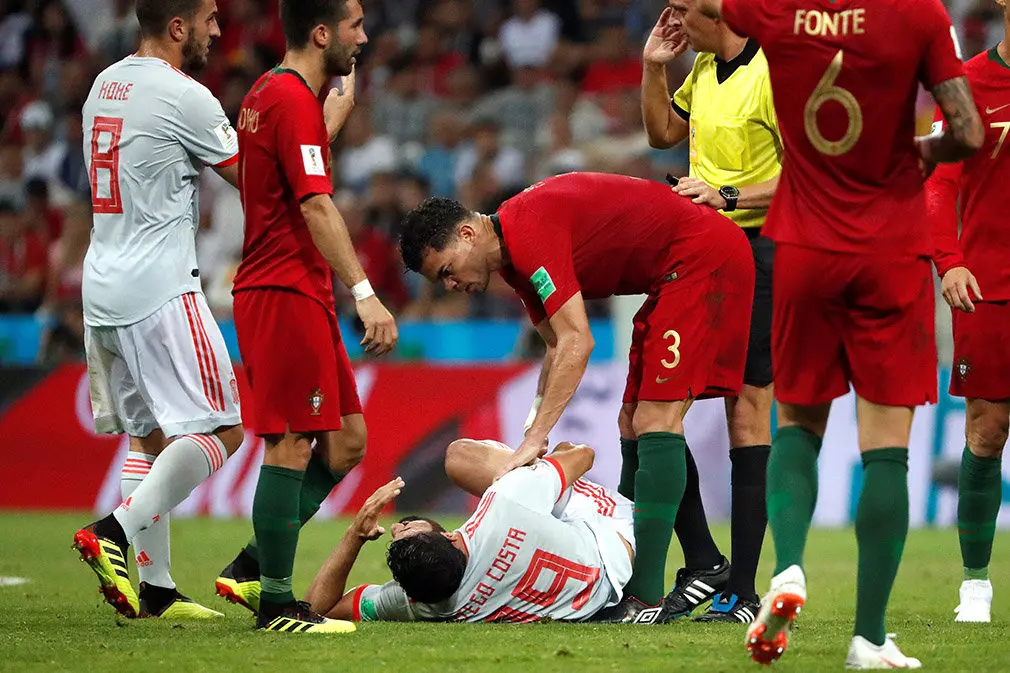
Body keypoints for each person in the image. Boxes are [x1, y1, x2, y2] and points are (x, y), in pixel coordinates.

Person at [696, 0, 985, 667]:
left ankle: (789, 568)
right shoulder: (918, 14)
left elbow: (708, 10)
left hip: (802, 245)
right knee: (886, 446)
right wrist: (920, 149)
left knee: (796, 420)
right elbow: (967, 132)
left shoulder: (776, 10)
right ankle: (868, 637)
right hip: (892, 248)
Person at [399, 171, 755, 623]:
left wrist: (537, 438)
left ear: (467, 234)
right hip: (672, 275)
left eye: (446, 270)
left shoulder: (528, 232)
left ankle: (643, 595)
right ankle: (703, 563)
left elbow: (577, 342)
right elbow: (554, 346)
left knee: (655, 421)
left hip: (702, 259)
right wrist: (533, 428)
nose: (451, 285)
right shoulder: (514, 258)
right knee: (632, 422)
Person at [217, 0, 398, 634]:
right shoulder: (291, 101)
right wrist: (365, 291)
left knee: (347, 444)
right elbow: (315, 206)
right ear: (321, 33)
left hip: (298, 288)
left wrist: (327, 126)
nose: (364, 37)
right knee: (292, 443)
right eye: (354, 26)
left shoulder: (269, 92)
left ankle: (251, 564)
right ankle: (274, 602)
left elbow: (268, 181)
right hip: (283, 290)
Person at [71, 0, 245, 620]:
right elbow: (258, 179)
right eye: (209, 20)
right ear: (178, 27)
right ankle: (114, 532)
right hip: (161, 287)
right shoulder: (185, 95)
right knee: (223, 429)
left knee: (146, 439)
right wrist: (317, 133)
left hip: (103, 283)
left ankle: (158, 589)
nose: (218, 32)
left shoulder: (103, 83)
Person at [640, 0, 783, 623]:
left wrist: (725, 194)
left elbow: (808, 172)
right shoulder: (701, 69)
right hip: (701, 253)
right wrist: (652, 68)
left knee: (748, 412)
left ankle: (743, 593)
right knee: (652, 407)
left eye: (678, 10)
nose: (670, 19)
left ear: (714, 13)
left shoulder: (773, 71)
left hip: (761, 251)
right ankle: (704, 560)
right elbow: (660, 136)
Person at [304, 439, 636, 623]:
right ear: (448, 537)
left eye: (399, 530)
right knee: (462, 457)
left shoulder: (421, 604)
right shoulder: (503, 507)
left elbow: (316, 610)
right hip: (611, 543)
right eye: (408, 530)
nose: (396, 526)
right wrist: (534, 463)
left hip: (585, 597)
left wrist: (354, 535)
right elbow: (586, 456)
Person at [926, 0, 1010, 626]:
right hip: (991, 286)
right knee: (986, 430)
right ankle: (975, 585)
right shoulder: (968, 85)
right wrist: (949, 258)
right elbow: (939, 183)